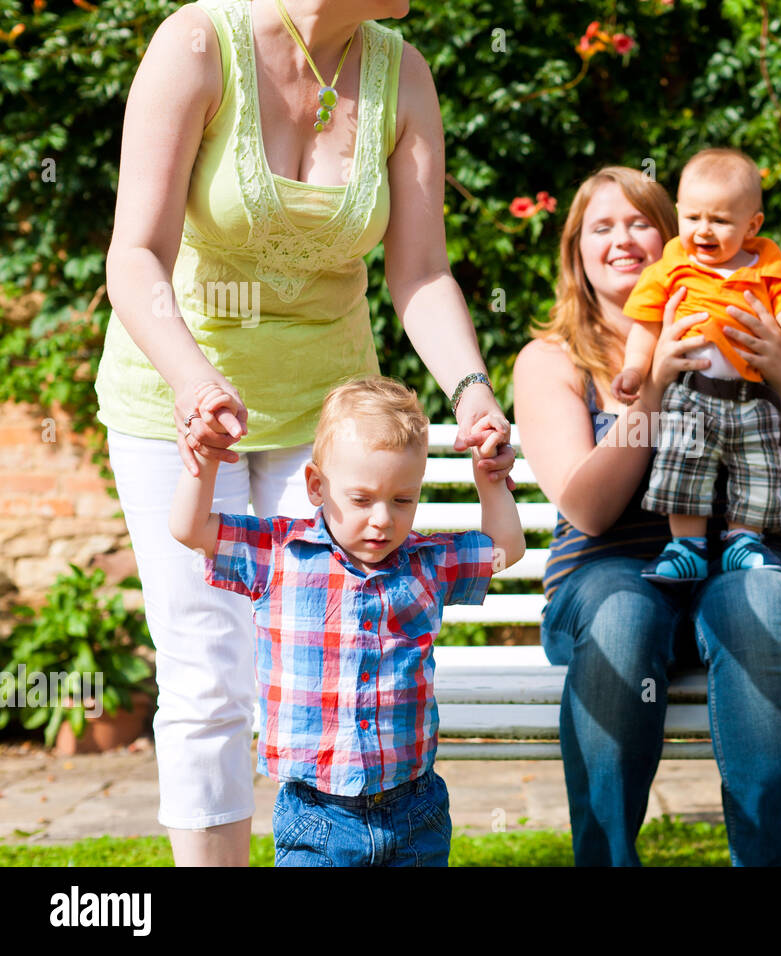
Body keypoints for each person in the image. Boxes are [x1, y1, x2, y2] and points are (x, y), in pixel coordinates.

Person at [94, 0, 512, 866]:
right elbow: (134, 252)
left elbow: (421, 268)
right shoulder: (200, 44)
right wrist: (194, 380)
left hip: (329, 423)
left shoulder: (405, 74)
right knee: (208, 673)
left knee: (330, 662)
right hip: (184, 401)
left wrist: (470, 389)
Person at [512, 166, 781, 866]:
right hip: (609, 576)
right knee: (626, 616)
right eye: (602, 227)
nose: (622, 240)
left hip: (741, 562)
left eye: (639, 222)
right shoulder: (551, 361)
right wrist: (651, 387)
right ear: (576, 252)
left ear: (675, 238)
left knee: (762, 598)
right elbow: (588, 510)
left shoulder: (746, 324)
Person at [169, 377, 524, 866]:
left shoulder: (427, 561)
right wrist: (205, 464)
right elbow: (190, 529)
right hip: (315, 815)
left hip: (414, 809)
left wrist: (490, 484)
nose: (383, 519)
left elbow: (505, 551)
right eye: (362, 499)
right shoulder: (278, 553)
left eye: (403, 500)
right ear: (317, 486)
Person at [610, 148, 781, 582]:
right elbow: (647, 326)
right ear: (678, 215)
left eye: (720, 221)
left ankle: (743, 540)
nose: (703, 231)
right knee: (682, 464)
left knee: (759, 466)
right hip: (692, 392)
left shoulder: (767, 264)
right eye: (692, 218)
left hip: (753, 396)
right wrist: (635, 370)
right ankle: (685, 546)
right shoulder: (673, 264)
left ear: (752, 225)